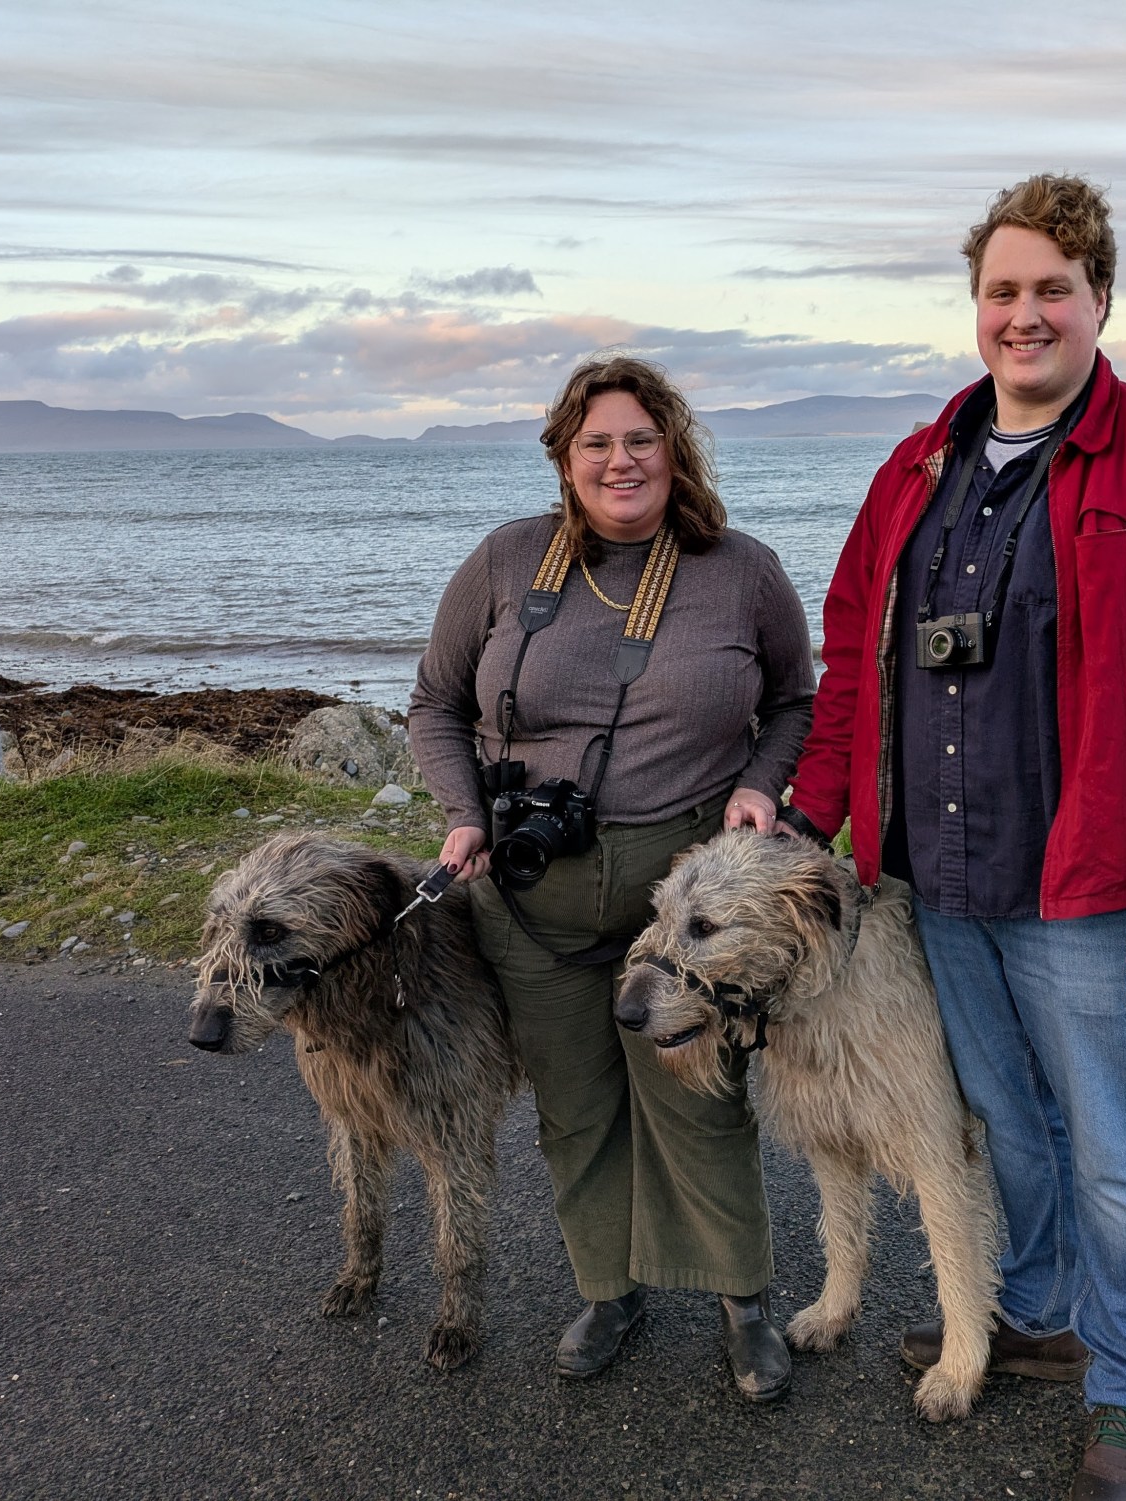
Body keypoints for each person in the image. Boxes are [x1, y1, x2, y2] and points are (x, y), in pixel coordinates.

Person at [780, 175, 1126, 1499]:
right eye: (1003, 290)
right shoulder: (915, 470)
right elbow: (853, 664)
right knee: (1010, 1118)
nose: (1026, 313)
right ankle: (1045, 1314)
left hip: (1095, 887)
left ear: (1103, 298)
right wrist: (806, 813)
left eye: (1054, 287)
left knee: (1118, 1143)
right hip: (941, 881)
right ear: (975, 307)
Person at [408, 354, 815, 1401]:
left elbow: (795, 704)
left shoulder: (741, 569)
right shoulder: (506, 561)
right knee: (575, 1104)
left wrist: (760, 788)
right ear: (564, 457)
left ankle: (742, 1302)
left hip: (678, 895)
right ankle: (609, 1288)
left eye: (641, 439)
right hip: (528, 893)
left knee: (696, 1097)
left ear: (673, 449)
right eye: (597, 443)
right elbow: (433, 704)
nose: (620, 460)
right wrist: (464, 816)